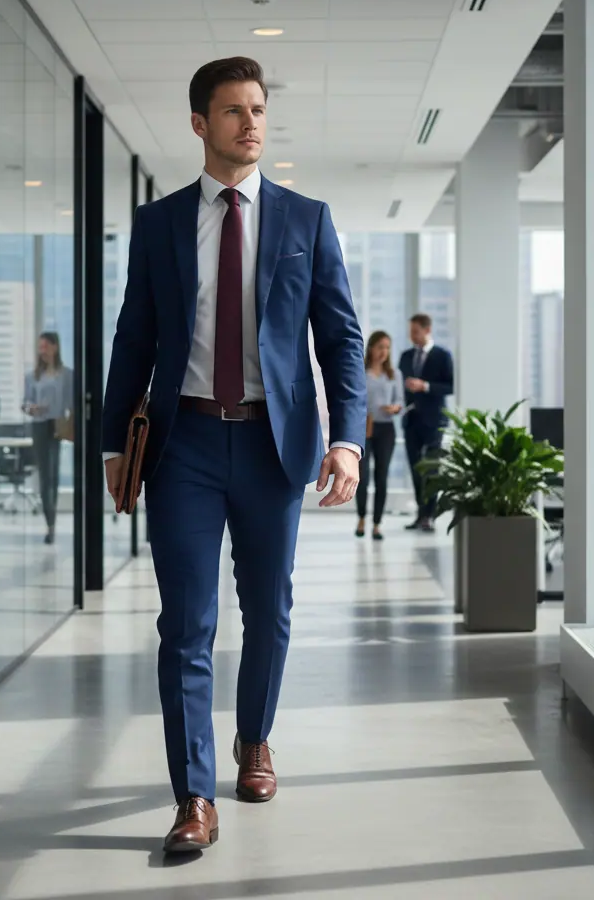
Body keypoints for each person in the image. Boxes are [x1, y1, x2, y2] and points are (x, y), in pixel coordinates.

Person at [100, 57, 366, 854]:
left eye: (257, 109)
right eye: (232, 111)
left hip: (271, 444)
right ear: (199, 124)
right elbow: (134, 337)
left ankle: (255, 741)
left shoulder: (305, 220)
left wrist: (347, 437)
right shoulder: (161, 224)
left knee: (269, 613)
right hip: (181, 445)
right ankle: (193, 798)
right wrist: (117, 440)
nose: (250, 122)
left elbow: (341, 339)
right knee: (185, 621)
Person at [398, 313, 454, 531]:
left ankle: (429, 516)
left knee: (431, 469)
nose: (412, 336)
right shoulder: (405, 356)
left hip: (435, 421)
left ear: (427, 330)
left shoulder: (442, 355)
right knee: (414, 469)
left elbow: (451, 386)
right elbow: (398, 384)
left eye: (415, 331)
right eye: (411, 332)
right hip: (411, 420)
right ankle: (420, 514)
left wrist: (426, 386)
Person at [22, 332, 74, 545]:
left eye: (45, 346)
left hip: (59, 425)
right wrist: (31, 408)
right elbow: (24, 403)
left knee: (54, 475)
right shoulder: (32, 376)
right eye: (39, 347)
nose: (41, 351)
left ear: (55, 347)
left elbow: (73, 403)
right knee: (45, 476)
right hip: (40, 426)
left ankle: (52, 519)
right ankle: (50, 524)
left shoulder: (67, 374)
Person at [356, 330, 403, 541]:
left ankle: (377, 524)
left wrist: (394, 408)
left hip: (386, 429)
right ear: (371, 348)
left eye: (387, 347)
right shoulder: (361, 371)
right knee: (362, 477)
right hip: (365, 427)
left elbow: (399, 401)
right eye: (380, 347)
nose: (384, 352)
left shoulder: (394, 374)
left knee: (381, 476)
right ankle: (361, 519)